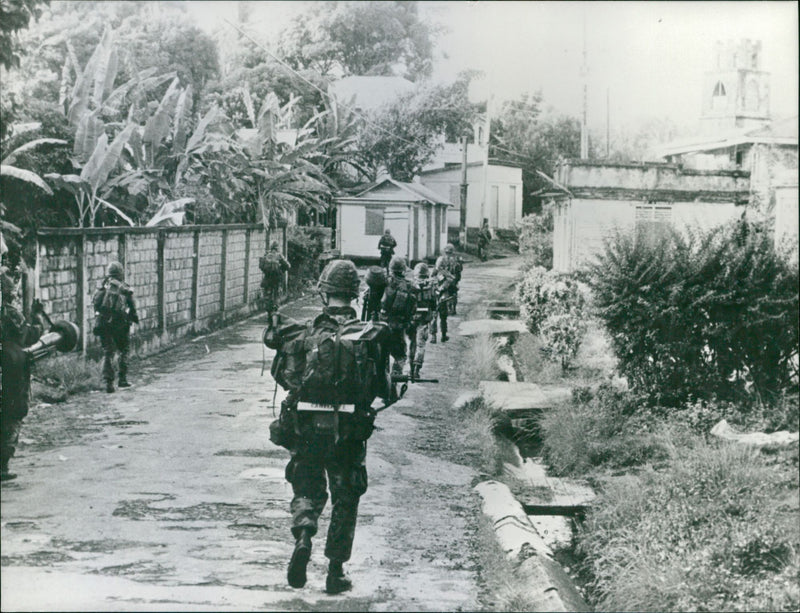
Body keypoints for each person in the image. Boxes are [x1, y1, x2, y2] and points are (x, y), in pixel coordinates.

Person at [263, 259, 390, 595]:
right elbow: (383, 388)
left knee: (306, 485)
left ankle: (304, 534)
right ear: (354, 295)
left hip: (306, 427)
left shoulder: (304, 333)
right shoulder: (368, 335)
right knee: (346, 495)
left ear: (324, 293)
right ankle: (335, 571)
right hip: (348, 430)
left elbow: (284, 377)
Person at [1, 268, 46, 481]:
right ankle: (2, 465)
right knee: (13, 414)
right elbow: (30, 336)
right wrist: (37, 318)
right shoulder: (10, 313)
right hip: (10, 371)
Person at [92, 261, 139, 393]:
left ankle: (109, 383)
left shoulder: (102, 288)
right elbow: (132, 305)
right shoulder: (124, 288)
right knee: (124, 350)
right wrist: (133, 317)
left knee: (108, 352)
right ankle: (122, 380)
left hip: (104, 324)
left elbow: (96, 305)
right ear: (120, 273)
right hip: (121, 325)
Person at [380, 255, 417, 376]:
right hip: (398, 326)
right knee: (400, 356)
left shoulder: (384, 282)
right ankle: (395, 376)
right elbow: (412, 309)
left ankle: (382, 374)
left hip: (381, 323)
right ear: (403, 270)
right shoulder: (409, 285)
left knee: (381, 352)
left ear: (391, 268)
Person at [408, 262, 436, 380]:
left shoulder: (411, 285)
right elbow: (434, 303)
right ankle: (417, 369)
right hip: (424, 320)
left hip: (412, 318)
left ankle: (410, 369)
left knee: (412, 343)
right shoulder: (431, 286)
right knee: (421, 345)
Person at [260, 241, 291, 314]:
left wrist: (266, 271)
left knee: (267, 294)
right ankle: (275, 309)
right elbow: (288, 266)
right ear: (277, 248)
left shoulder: (266, 255)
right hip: (277, 279)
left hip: (267, 278)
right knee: (277, 294)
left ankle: (268, 308)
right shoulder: (279, 255)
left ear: (271, 248)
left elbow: (261, 266)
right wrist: (282, 270)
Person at [429, 265, 455, 344]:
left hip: (434, 299)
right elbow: (452, 283)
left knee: (433, 318)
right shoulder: (446, 275)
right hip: (443, 299)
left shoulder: (432, 275)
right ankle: (443, 335)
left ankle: (433, 337)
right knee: (443, 318)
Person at [435, 243, 462, 315]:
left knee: (453, 291)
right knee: (438, 290)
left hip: (450, 279)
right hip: (444, 279)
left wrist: (456, 278)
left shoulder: (454, 260)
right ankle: (446, 306)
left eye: (449, 252)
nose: (448, 254)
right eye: (447, 252)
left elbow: (458, 270)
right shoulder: (442, 259)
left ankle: (452, 307)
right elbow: (437, 269)